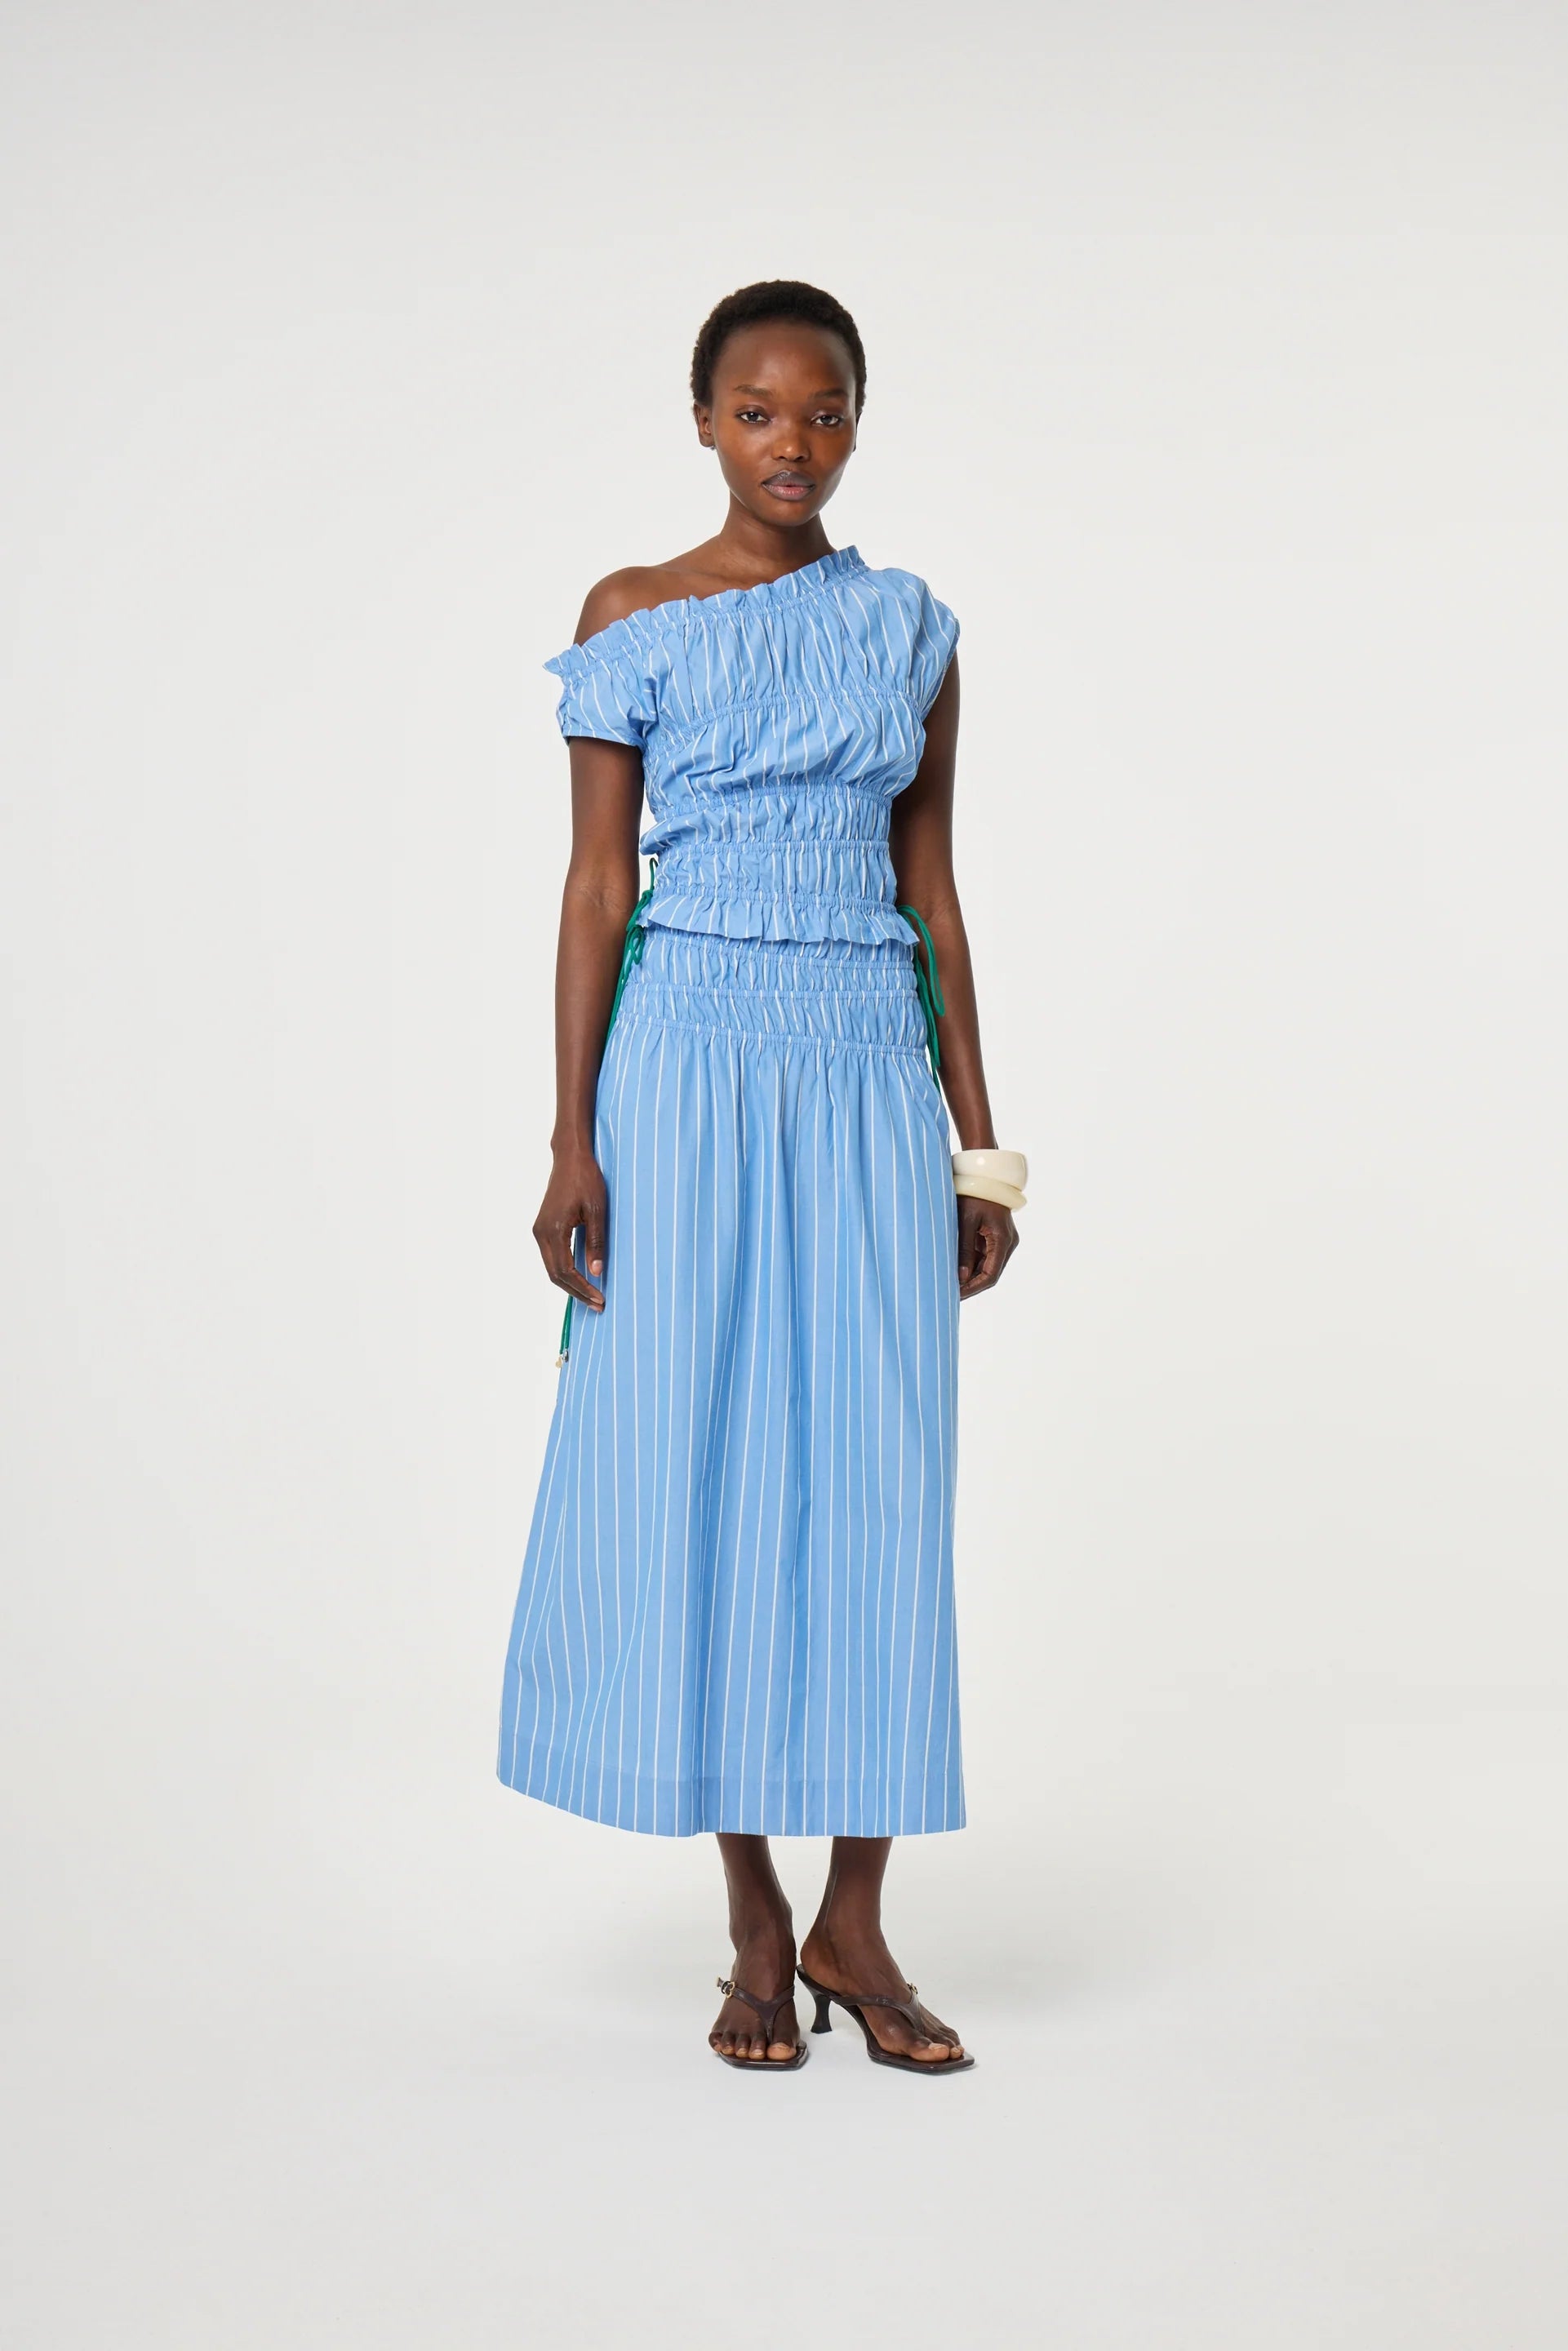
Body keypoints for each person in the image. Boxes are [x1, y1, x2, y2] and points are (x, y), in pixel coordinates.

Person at [498, 279, 1023, 2073]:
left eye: (822, 410)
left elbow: (934, 893)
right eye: (754, 409)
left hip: (866, 1063)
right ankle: (748, 1920)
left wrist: (980, 1144)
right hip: (688, 1065)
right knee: (702, 1462)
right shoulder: (630, 619)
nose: (789, 442)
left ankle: (857, 1923)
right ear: (704, 422)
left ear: (857, 423)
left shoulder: (908, 630)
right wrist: (574, 1135)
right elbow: (592, 890)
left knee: (877, 1473)